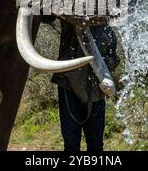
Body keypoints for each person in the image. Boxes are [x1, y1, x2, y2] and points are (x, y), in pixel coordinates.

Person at [51, 21, 119, 151]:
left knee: (96, 144)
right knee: (71, 143)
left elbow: (114, 58)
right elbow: (46, 17)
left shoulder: (107, 31)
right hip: (68, 86)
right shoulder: (70, 23)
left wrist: (102, 65)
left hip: (96, 91)